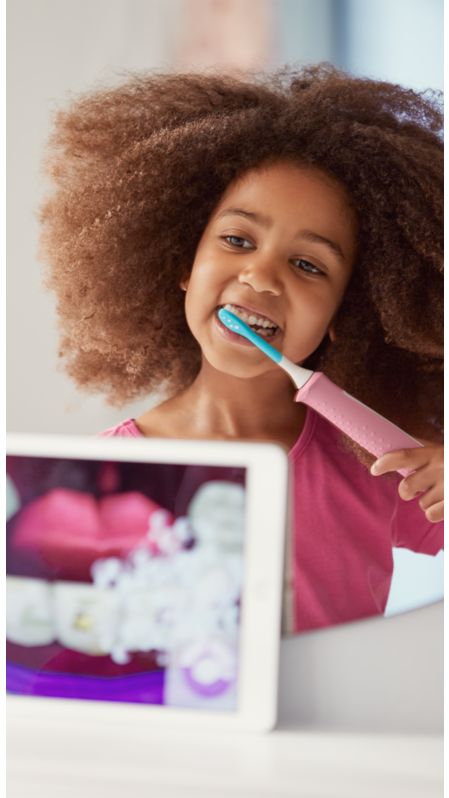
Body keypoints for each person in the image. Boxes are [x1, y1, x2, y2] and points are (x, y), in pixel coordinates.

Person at [38, 64, 444, 633]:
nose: (261, 277)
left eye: (307, 265)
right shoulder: (101, 476)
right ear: (183, 261)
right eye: (237, 240)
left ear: (342, 314)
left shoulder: (383, 464)